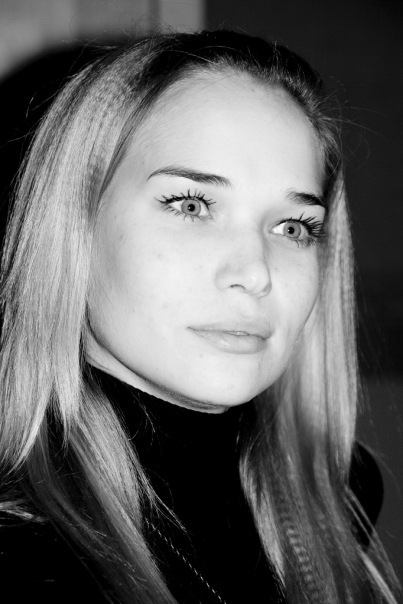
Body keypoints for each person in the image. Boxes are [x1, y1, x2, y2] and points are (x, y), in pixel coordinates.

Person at [0, 30, 399, 604]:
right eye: (191, 205)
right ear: (74, 226)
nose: (255, 272)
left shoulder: (336, 498)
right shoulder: (21, 548)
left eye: (293, 227)